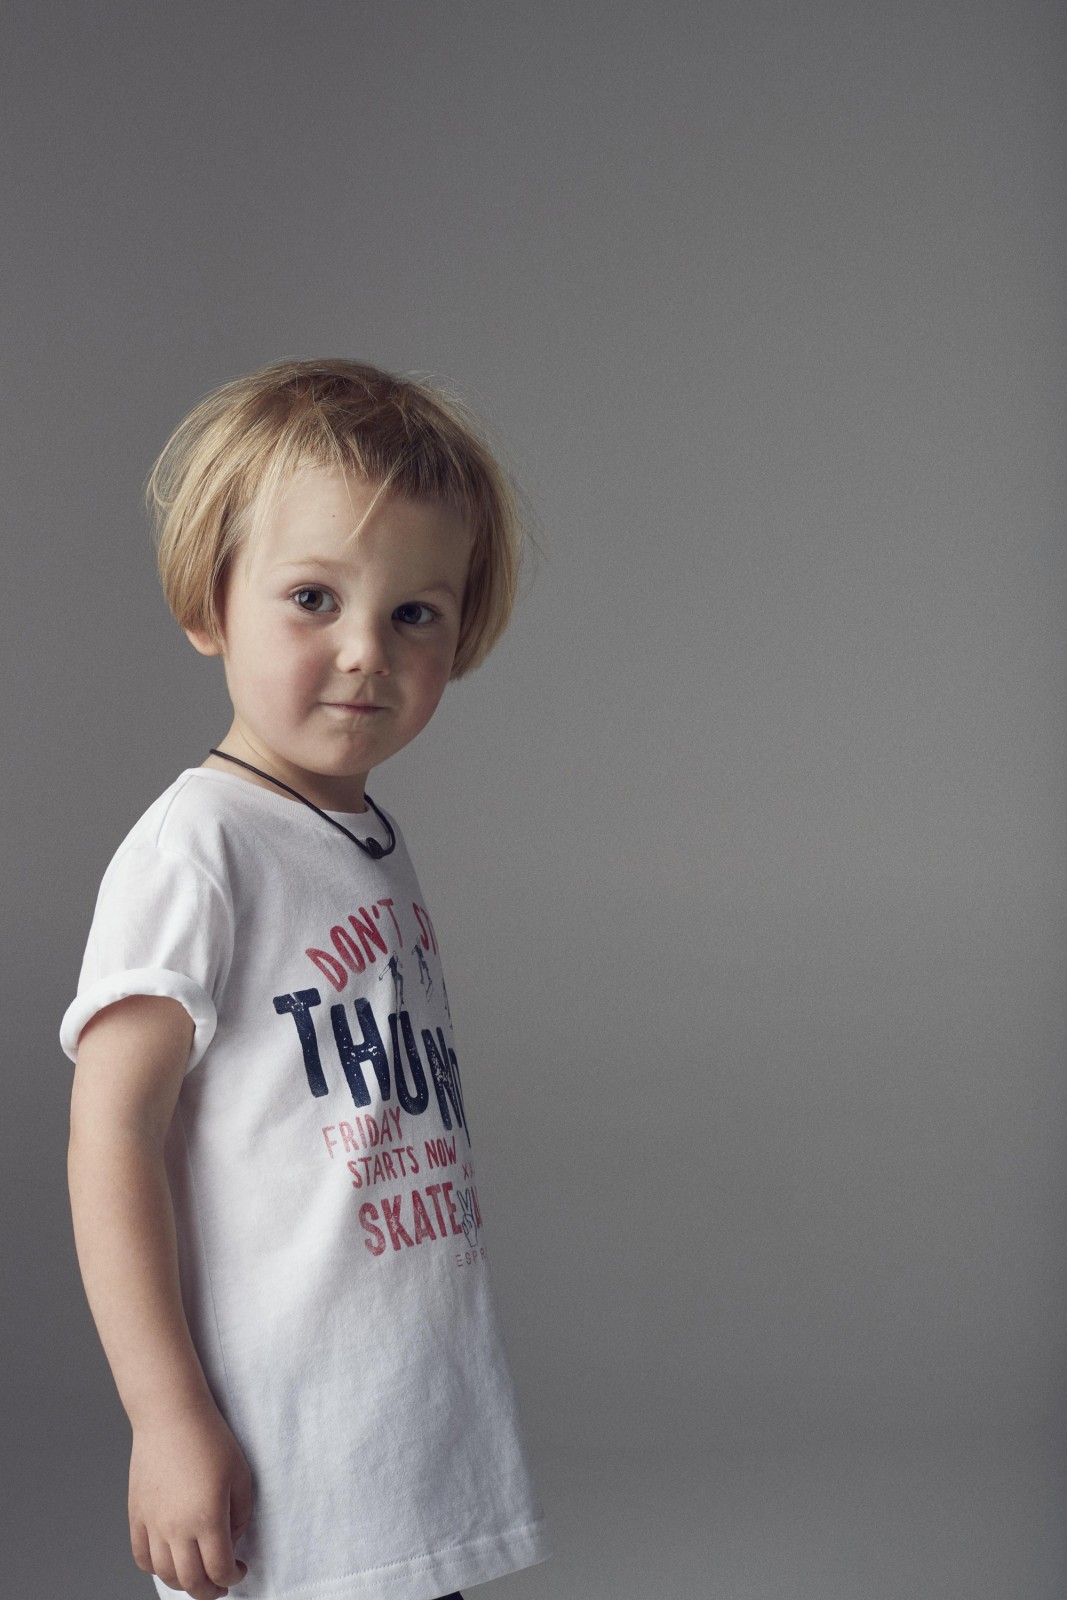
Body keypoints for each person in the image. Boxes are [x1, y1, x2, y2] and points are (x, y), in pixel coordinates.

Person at [61, 360, 550, 1600]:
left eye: (413, 613)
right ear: (209, 601)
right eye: (312, 598)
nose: (363, 652)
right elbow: (111, 1129)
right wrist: (166, 1415)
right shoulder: (202, 844)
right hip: (279, 1444)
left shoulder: (360, 836)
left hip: (394, 1426)